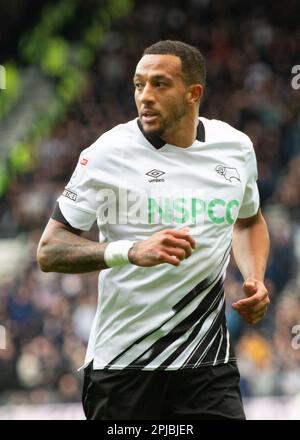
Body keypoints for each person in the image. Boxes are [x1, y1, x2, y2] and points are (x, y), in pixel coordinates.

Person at [37, 40, 270, 420]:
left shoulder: (236, 148)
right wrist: (128, 251)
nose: (145, 96)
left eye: (159, 84)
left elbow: (248, 221)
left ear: (193, 93)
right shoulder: (108, 153)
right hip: (125, 369)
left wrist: (255, 276)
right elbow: (49, 250)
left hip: (206, 364)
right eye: (138, 84)